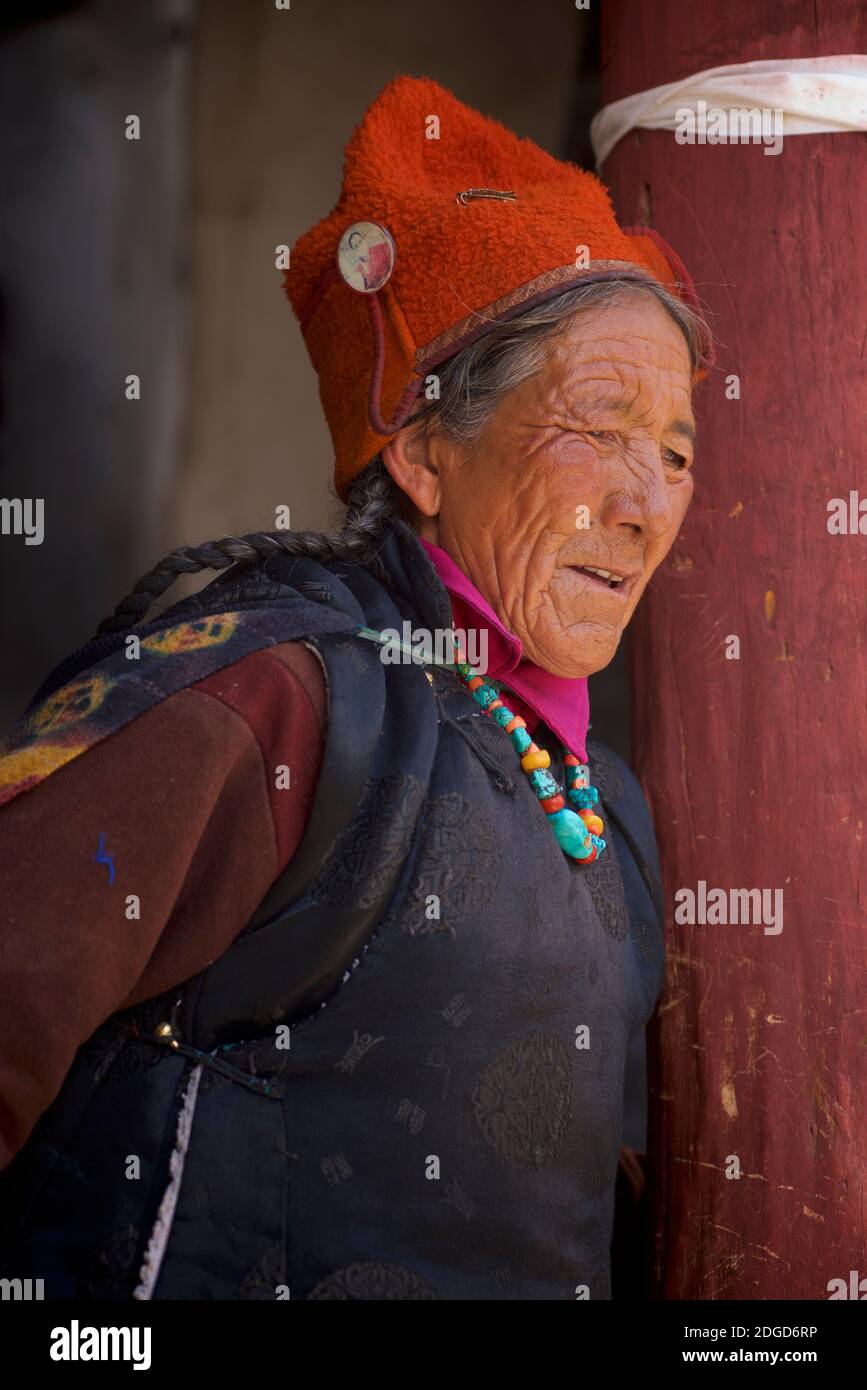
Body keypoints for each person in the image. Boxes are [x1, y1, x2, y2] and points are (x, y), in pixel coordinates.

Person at [0, 75, 711, 1300]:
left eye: (679, 450)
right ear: (427, 451)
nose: (647, 507)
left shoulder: (609, 812)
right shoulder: (280, 701)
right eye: (599, 425)